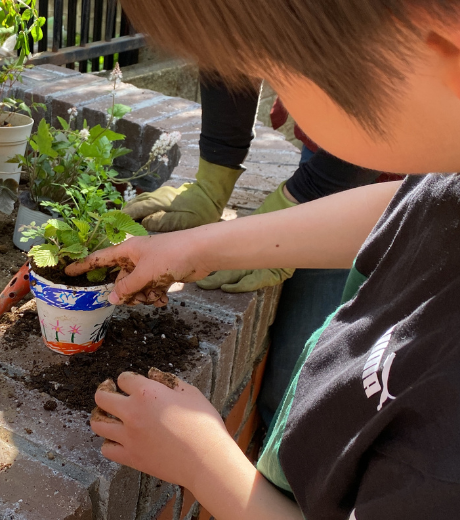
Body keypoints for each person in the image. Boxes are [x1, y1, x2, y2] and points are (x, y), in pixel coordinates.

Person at [68, 0, 460, 518]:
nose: (277, 103)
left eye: (277, 72)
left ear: (453, 55)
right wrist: (199, 247)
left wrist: (204, 464)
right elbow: (415, 206)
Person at [124, 74, 382, 427]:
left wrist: (308, 198)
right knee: (287, 385)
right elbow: (227, 50)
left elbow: (388, 99)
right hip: (335, 136)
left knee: (305, 388)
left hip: (390, 154)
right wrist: (213, 178)